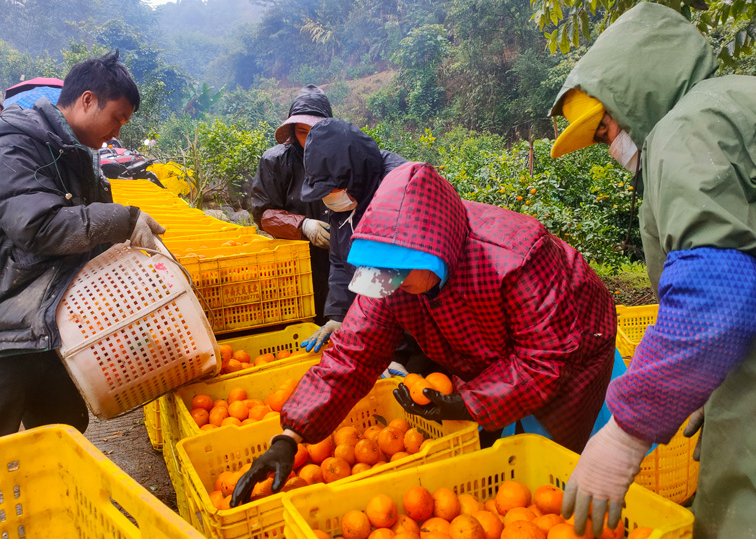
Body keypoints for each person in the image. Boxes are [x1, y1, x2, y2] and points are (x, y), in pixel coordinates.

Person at [231, 161, 617, 507]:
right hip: (494, 351)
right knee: (499, 440)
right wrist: (289, 437)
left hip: (576, 342)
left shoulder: (517, 257)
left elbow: (545, 358)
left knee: (555, 458)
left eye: (400, 274)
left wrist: (471, 403)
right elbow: (352, 355)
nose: (391, 285)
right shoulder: (393, 276)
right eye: (385, 275)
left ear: (437, 253)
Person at [548, 3, 756, 539]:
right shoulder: (733, 103)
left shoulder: (687, 128)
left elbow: (717, 295)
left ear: (634, 94)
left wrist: (626, 432)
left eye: (604, 130)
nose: (610, 146)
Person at [0, 50, 166, 449]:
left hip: (35, 315)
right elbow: (37, 226)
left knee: (63, 424)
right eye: (118, 118)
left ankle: (46, 503)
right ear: (88, 100)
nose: (117, 132)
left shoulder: (76, 154)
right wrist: (123, 220)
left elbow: (86, 237)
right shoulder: (16, 147)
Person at [298, 118, 407, 351]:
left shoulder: (398, 192)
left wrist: (399, 352)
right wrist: (338, 315)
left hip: (415, 322)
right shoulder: (346, 200)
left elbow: (403, 283)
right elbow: (339, 261)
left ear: (354, 175)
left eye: (332, 190)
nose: (328, 197)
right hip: (378, 320)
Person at [251, 85, 333, 323]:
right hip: (295, 261)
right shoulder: (275, 160)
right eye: (303, 132)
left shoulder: (340, 157)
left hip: (338, 255)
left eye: (317, 131)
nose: (310, 140)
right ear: (292, 131)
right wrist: (303, 225)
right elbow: (262, 213)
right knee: (304, 318)